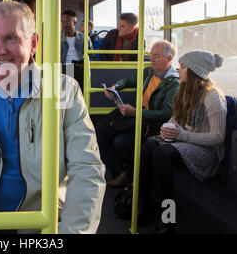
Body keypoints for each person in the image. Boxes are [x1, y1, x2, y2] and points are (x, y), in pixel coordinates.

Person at [0, 1, 106, 234]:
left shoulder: (64, 91)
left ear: (33, 43)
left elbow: (86, 169)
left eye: (11, 38)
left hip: (43, 223)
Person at [138, 50, 227, 233]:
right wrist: (167, 128)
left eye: (183, 67)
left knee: (162, 153)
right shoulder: (184, 90)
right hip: (184, 142)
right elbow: (175, 119)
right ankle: (143, 203)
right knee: (149, 146)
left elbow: (218, 137)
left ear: (195, 71)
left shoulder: (212, 97)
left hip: (205, 152)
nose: (178, 70)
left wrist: (180, 136)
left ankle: (168, 218)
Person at [97, 40, 180, 187]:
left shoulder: (173, 83)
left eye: (157, 56)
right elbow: (129, 81)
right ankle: (121, 171)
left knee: (121, 142)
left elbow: (166, 113)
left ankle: (129, 175)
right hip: (137, 119)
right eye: (151, 55)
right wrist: (115, 87)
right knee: (100, 131)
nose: (152, 59)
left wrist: (136, 112)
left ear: (169, 59)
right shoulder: (149, 72)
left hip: (151, 125)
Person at [61, 9, 95, 90]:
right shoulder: (57, 38)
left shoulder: (84, 38)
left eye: (68, 22)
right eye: (63, 21)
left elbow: (92, 56)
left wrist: (84, 64)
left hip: (80, 69)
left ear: (75, 23)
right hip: (64, 68)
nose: (64, 24)